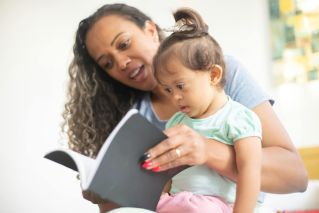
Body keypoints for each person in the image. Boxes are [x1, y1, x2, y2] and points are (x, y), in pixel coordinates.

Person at [62, 3, 307, 213]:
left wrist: (207, 151)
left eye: (124, 44)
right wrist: (106, 194)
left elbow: (295, 176)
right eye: (107, 63)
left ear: (150, 30)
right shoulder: (134, 119)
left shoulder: (217, 75)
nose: (121, 62)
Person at [141, 7, 262, 213]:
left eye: (180, 86)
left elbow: (250, 174)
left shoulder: (239, 118)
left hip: (217, 205)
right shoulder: (176, 122)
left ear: (213, 75)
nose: (175, 97)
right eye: (168, 89)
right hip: (177, 202)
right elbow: (168, 175)